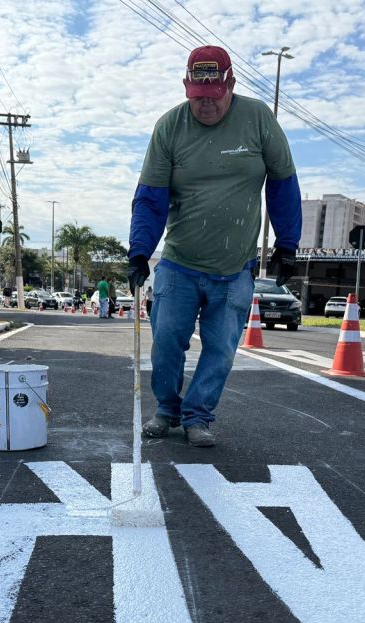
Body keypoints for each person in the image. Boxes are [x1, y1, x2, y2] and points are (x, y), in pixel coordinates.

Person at [127, 45, 301, 447]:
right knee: (166, 341)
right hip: (180, 262)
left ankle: (198, 417)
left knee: (221, 349)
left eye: (214, 96)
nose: (205, 105)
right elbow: (150, 197)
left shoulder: (258, 119)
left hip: (234, 267)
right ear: (186, 87)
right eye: (197, 97)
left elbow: (283, 184)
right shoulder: (170, 127)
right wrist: (139, 250)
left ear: (231, 84)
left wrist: (287, 244)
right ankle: (167, 409)